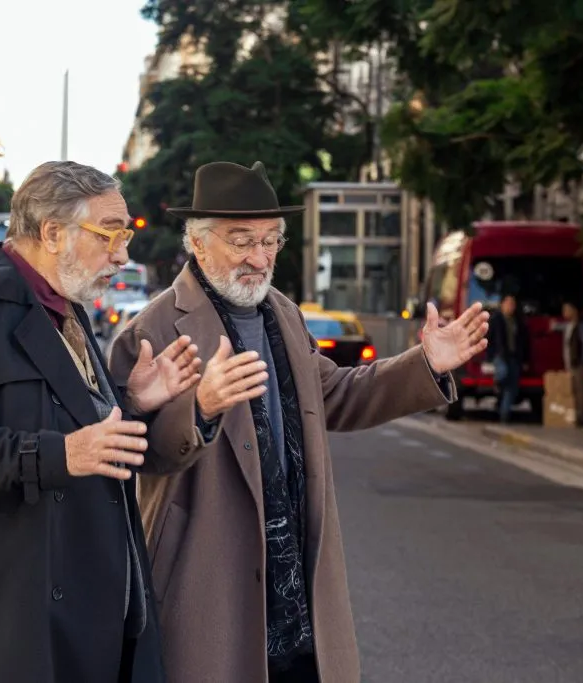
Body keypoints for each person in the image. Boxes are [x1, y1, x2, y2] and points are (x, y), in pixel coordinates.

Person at [108, 160, 490, 683]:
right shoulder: (151, 327)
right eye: (241, 241)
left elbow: (334, 393)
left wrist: (425, 365)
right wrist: (201, 407)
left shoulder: (283, 313)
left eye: (270, 241)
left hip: (297, 585)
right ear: (198, 243)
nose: (259, 257)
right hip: (206, 580)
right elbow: (134, 448)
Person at [0, 161, 202, 683]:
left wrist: (133, 402)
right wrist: (60, 455)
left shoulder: (66, 307)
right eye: (110, 235)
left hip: (81, 607)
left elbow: (70, 423)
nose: (123, 255)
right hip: (6, 618)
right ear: (53, 233)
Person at [487, 293, 531, 422]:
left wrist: (525, 359)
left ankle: (504, 415)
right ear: (502, 305)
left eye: (513, 304)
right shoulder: (496, 320)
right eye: (508, 303)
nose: (511, 306)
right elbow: (490, 339)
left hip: (515, 356)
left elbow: (524, 341)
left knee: (512, 387)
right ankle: (497, 384)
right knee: (503, 373)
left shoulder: (518, 321)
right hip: (500, 355)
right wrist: (490, 355)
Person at [561, 300, 583, 425]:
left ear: (573, 311)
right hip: (571, 364)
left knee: (580, 391)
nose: (564, 313)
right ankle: (576, 413)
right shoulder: (569, 326)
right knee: (574, 390)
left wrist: (582, 360)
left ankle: (582, 416)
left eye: (566, 310)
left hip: (578, 364)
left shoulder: (581, 326)